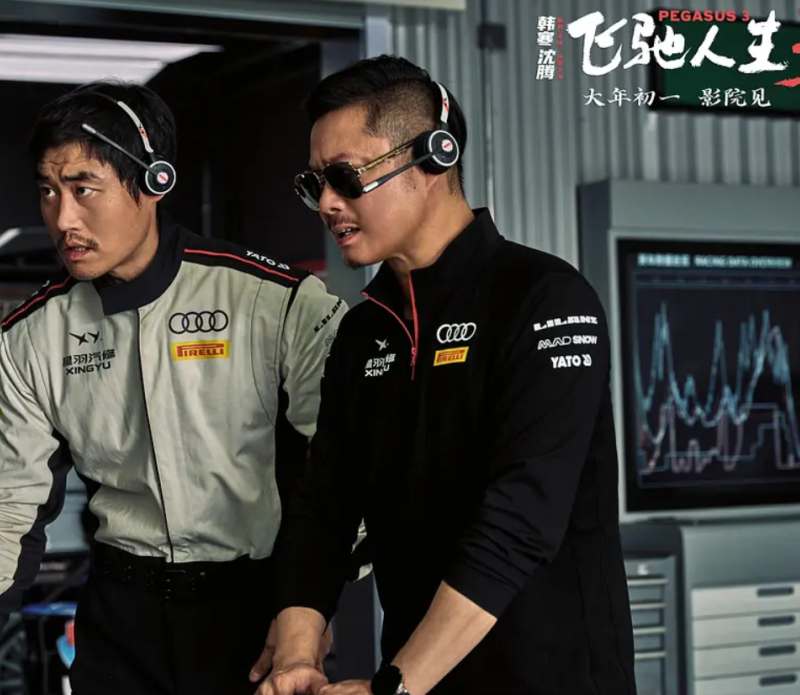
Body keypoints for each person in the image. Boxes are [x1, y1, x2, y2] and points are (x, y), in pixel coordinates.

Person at [0, 79, 348, 695]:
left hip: (257, 617)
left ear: (154, 183)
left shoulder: (273, 303)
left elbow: (344, 474)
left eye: (84, 188)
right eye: (48, 190)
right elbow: (11, 501)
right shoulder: (33, 336)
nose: (63, 218)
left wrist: (310, 610)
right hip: (120, 623)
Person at [259, 55, 637, 695]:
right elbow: (324, 505)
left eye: (345, 177)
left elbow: (520, 522)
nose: (326, 203)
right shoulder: (365, 332)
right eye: (314, 183)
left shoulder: (545, 299)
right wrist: (297, 654)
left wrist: (397, 686)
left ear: (434, 156)